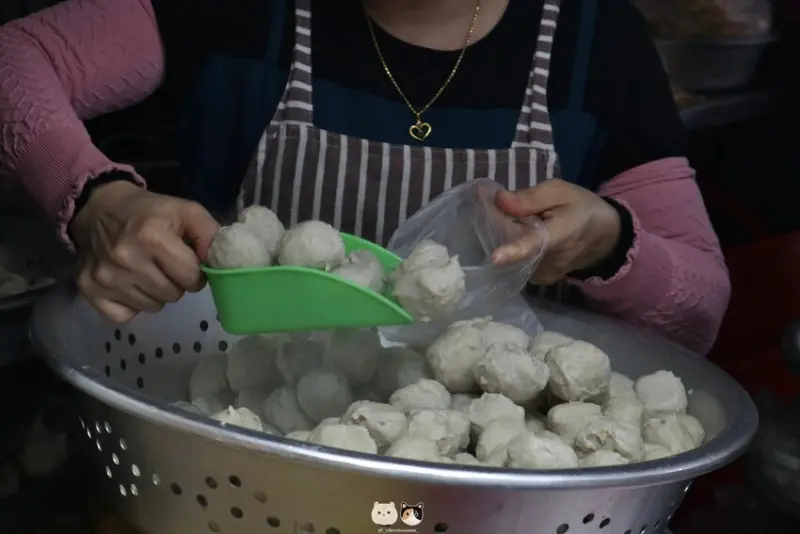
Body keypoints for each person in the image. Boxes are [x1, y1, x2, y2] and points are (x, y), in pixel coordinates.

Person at [0, 0, 730, 354]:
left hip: (485, 486)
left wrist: (608, 239)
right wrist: (98, 199)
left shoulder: (596, 38)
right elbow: (14, 62)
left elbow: (700, 309)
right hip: (246, 452)